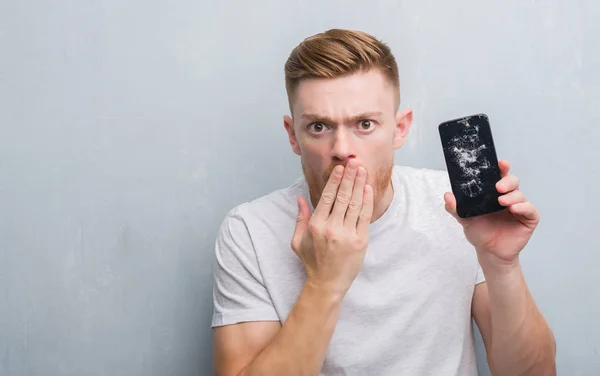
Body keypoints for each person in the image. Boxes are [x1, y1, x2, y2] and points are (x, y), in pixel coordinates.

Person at [210, 29, 556, 376]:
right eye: (318, 126)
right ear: (292, 135)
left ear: (400, 128)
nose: (342, 148)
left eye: (364, 124)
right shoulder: (250, 231)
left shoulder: (455, 211)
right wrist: (324, 283)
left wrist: (501, 264)